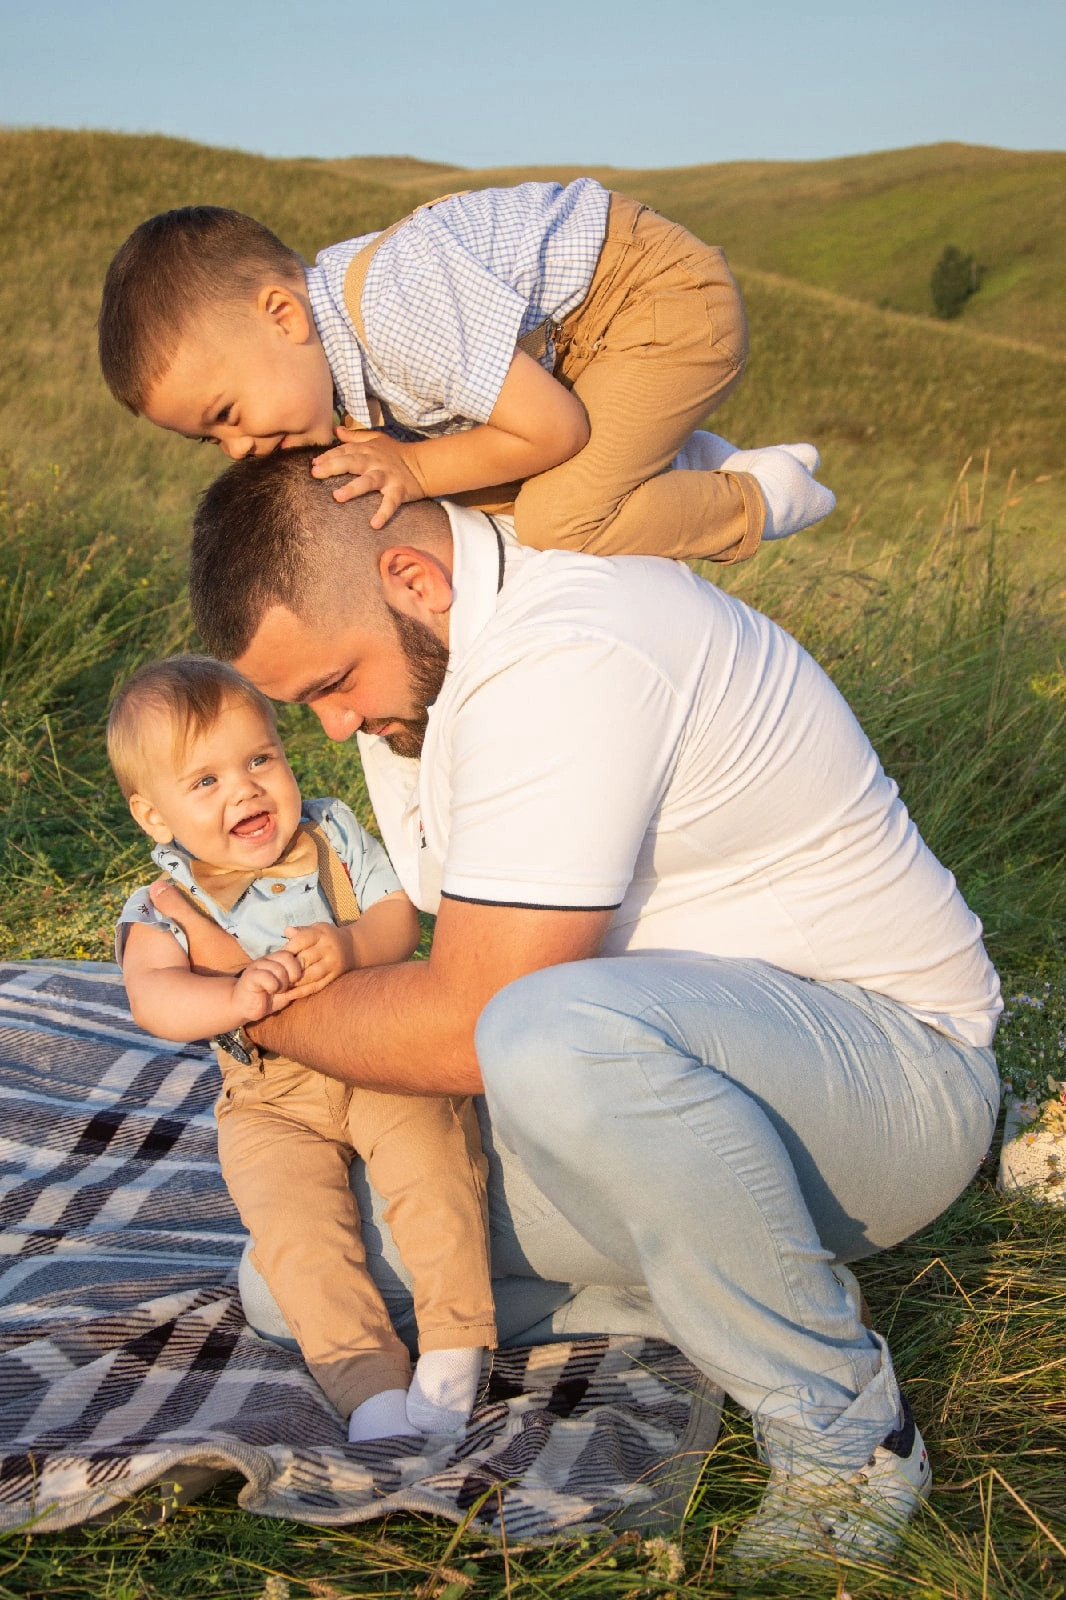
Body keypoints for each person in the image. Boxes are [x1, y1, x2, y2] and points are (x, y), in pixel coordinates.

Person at [173, 450, 1001, 1567]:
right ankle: (724, 1292)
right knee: (292, 1286)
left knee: (538, 1030)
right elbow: (424, 933)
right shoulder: (429, 686)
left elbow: (472, 1018)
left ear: (414, 580)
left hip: (890, 1078)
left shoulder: (570, 647)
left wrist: (252, 1008)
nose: (330, 726)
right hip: (682, 1074)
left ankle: (849, 1431)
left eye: (331, 683)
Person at [108, 655, 496, 1443]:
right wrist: (232, 997)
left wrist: (350, 946)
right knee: (297, 1234)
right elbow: (153, 997)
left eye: (259, 760)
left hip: (379, 1056)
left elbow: (399, 920)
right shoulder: (164, 902)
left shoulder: (333, 833)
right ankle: (370, 1391)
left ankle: (457, 1344)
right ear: (155, 818)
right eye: (205, 782)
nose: (246, 790)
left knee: (436, 1172)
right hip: (267, 1098)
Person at [97, 182, 835, 561]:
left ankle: (758, 500)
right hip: (588, 339)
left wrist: (413, 472)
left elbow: (554, 427)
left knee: (560, 518)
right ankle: (679, 463)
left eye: (226, 414)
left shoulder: (390, 308)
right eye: (210, 441)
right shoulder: (349, 362)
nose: (237, 448)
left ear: (283, 316)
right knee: (476, 486)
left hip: (657, 300)